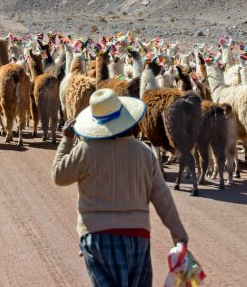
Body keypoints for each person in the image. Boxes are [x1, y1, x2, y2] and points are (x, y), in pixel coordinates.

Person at [51, 88, 188, 287]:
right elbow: (162, 198)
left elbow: (59, 175)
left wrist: (67, 139)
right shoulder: (144, 153)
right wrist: (179, 236)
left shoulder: (86, 151)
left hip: (97, 238)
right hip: (137, 238)